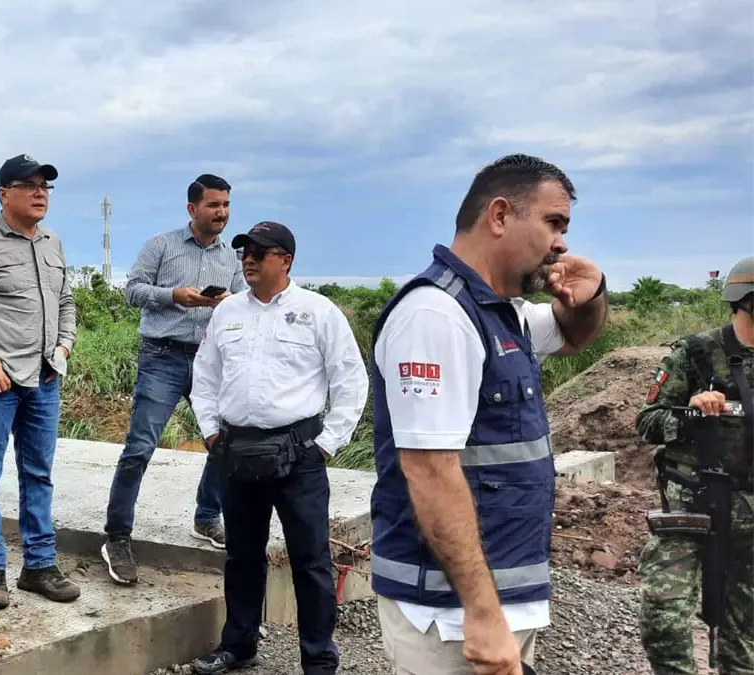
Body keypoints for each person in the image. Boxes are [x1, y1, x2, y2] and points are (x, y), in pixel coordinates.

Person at [367, 153, 608, 675]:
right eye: (553, 222)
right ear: (499, 216)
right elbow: (429, 471)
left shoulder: (501, 312)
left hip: (497, 598)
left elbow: (572, 335)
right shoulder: (436, 315)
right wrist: (481, 611)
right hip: (450, 614)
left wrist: (592, 295)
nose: (561, 243)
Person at [188, 221, 369, 675]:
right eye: (244, 252)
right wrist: (211, 433)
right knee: (242, 557)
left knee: (311, 562)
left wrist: (326, 444)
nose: (248, 259)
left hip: (298, 457)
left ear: (285, 260)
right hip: (237, 453)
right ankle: (239, 646)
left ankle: (319, 660)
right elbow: (205, 376)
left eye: (260, 252)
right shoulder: (227, 313)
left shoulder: (318, 311)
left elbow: (350, 379)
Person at [0, 153, 79, 610]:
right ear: (4, 194)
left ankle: (39, 566)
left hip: (44, 379)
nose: (40, 193)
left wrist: (64, 347)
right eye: (29, 186)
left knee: (39, 475)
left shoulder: (52, 243)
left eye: (45, 186)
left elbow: (66, 302)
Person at [101, 173, 246, 585]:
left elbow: (244, 303)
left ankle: (207, 517)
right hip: (162, 357)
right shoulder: (161, 245)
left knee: (224, 442)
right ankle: (117, 537)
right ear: (192, 208)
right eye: (214, 205)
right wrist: (174, 296)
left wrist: (227, 301)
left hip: (209, 361)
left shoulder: (231, 258)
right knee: (139, 448)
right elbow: (132, 291)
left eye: (226, 205)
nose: (221, 212)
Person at [634, 256, 754, 675]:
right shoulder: (697, 353)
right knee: (663, 616)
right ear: (745, 300)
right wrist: (691, 413)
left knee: (745, 646)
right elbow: (647, 422)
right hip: (695, 505)